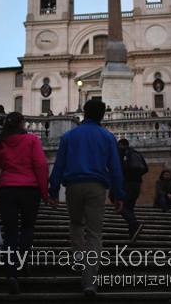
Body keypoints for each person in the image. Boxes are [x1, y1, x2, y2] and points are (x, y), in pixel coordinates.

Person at [49, 99, 124, 298]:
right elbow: (115, 168)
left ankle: (78, 257)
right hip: (97, 186)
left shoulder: (70, 135)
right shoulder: (107, 137)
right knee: (94, 233)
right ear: (103, 115)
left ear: (84, 112)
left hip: (73, 185)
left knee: (75, 223)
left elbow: (59, 165)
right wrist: (118, 193)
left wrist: (54, 192)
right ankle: (90, 281)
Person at [0, 112, 50, 293]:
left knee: (10, 235)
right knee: (27, 228)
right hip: (30, 190)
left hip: (7, 191)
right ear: (22, 123)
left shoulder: (0, 143)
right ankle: (23, 260)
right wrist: (45, 194)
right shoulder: (32, 140)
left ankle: (11, 275)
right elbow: (41, 166)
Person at [116, 138, 148, 242]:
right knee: (130, 208)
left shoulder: (121, 152)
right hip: (137, 184)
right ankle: (132, 234)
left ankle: (135, 224)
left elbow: (117, 168)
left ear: (120, 145)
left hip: (126, 184)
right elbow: (146, 168)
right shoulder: (136, 153)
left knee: (120, 206)